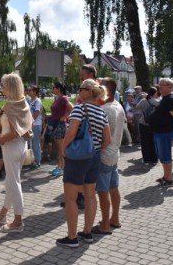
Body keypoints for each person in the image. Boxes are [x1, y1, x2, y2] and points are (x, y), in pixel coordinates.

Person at [56, 79, 111, 247]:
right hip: (94, 157)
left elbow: (71, 132)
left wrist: (63, 151)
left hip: (77, 158)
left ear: (88, 92)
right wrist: (95, 148)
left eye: (81, 89)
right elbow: (107, 140)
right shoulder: (101, 112)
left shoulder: (80, 108)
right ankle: (87, 233)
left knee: (71, 198)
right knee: (89, 196)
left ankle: (72, 237)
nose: (78, 91)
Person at [0, 73, 33, 233]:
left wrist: (0, 140)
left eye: (4, 86)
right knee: (11, 181)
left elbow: (14, 132)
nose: (2, 89)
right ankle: (3, 214)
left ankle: (18, 221)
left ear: (11, 87)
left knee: (14, 183)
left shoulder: (11, 106)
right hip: (20, 146)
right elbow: (26, 128)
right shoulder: (23, 103)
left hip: (11, 146)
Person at [95, 78, 125, 234]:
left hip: (105, 155)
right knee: (113, 188)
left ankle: (105, 224)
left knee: (103, 191)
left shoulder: (105, 109)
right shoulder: (118, 106)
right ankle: (115, 218)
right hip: (115, 153)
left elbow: (100, 135)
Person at [147, 78, 173, 188]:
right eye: (159, 84)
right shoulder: (164, 98)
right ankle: (166, 176)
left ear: (170, 87)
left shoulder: (171, 100)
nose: (160, 87)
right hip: (160, 132)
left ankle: (169, 180)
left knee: (166, 156)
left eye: (162, 85)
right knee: (163, 156)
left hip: (165, 132)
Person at [48, 82, 73, 177]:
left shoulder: (63, 98)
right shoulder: (57, 98)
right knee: (59, 147)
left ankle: (62, 167)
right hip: (54, 124)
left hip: (60, 125)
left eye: (54, 87)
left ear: (58, 89)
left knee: (61, 147)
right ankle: (59, 166)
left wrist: (65, 117)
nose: (52, 89)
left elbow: (71, 107)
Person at [135, 87, 160, 164]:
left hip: (143, 122)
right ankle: (154, 159)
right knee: (153, 141)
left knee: (145, 142)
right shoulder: (158, 101)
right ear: (155, 93)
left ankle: (146, 159)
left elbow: (136, 108)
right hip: (154, 123)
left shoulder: (143, 101)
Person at [28, 85, 43, 169]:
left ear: (35, 92)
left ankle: (37, 161)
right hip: (31, 125)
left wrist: (31, 121)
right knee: (32, 144)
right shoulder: (30, 100)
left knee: (35, 144)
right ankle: (33, 160)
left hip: (36, 125)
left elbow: (36, 113)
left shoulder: (37, 101)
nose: (29, 91)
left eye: (31, 90)